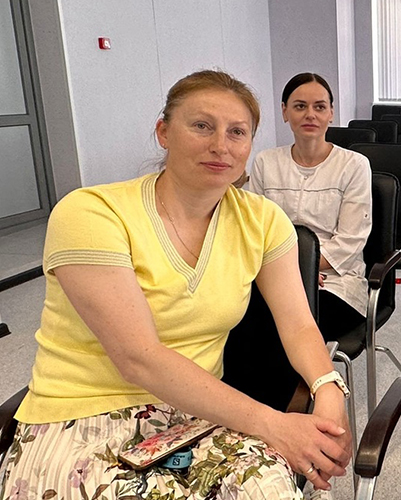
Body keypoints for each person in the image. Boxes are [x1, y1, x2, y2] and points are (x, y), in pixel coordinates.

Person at [0, 70, 352, 500]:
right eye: (202, 126)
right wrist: (274, 425)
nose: (221, 145)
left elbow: (298, 324)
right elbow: (139, 358)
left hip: (198, 414)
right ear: (164, 132)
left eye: (237, 132)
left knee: (269, 490)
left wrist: (327, 385)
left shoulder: (263, 221)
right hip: (85, 416)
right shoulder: (91, 213)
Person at [249, 73, 372, 343]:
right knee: (237, 319)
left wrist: (306, 267)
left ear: (331, 113)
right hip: (274, 274)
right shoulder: (265, 162)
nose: (310, 114)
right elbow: (254, 231)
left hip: (334, 282)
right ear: (285, 112)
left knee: (286, 327)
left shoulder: (354, 165)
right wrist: (292, 271)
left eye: (319, 107)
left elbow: (350, 241)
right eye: (300, 106)